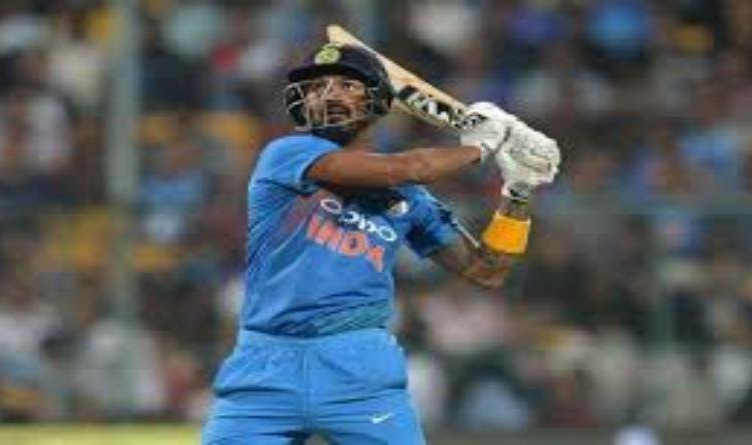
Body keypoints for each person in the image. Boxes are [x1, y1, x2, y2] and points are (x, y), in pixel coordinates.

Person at [201, 42, 561, 445]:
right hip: (265, 364)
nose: (328, 94)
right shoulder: (288, 154)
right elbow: (407, 167)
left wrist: (518, 191)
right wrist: (484, 146)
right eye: (318, 86)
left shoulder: (411, 199)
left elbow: (487, 271)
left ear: (378, 102)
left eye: (346, 85)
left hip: (357, 367)